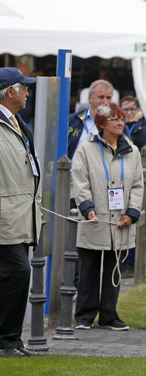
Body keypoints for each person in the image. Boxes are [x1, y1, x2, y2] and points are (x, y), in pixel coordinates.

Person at [72, 102, 144, 331]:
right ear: (102, 123)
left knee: (114, 270)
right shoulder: (85, 149)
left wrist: (132, 214)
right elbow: (80, 181)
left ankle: (109, 315)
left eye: (122, 118)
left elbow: (139, 185)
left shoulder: (133, 152)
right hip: (95, 217)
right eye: (114, 119)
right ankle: (84, 316)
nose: (121, 122)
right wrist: (87, 207)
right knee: (89, 270)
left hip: (120, 221)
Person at [0, 68, 43, 357]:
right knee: (18, 271)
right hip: (6, 214)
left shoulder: (16, 122)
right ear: (9, 92)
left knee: (15, 274)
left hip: (21, 213)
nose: (28, 93)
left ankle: (12, 340)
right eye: (24, 88)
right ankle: (6, 341)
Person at [118, 95, 146, 277]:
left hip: (136, 181)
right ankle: (121, 263)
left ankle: (131, 263)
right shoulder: (118, 125)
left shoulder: (142, 127)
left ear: (137, 110)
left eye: (131, 109)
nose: (128, 113)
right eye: (125, 109)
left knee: (132, 221)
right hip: (120, 181)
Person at [67, 80, 115, 159]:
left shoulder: (119, 124)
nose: (105, 101)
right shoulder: (72, 120)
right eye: (101, 97)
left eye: (108, 98)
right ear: (90, 99)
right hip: (74, 171)